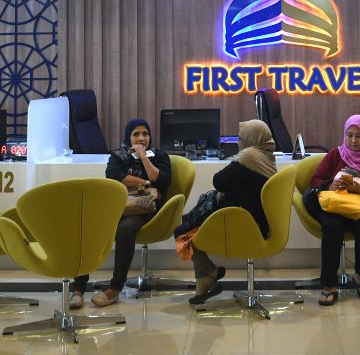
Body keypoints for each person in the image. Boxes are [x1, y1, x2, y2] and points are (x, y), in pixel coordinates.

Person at [69, 118, 171, 308]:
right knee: (89, 225)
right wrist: (146, 182)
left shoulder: (160, 156)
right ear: (128, 137)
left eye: (145, 134)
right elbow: (114, 176)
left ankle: (115, 288)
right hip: (118, 205)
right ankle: (78, 288)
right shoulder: (119, 155)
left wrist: (144, 158)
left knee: (125, 229)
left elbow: (162, 180)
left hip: (145, 208)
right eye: (136, 134)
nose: (141, 138)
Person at [177, 119, 277, 305]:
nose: (238, 142)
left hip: (244, 223)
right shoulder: (266, 156)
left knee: (184, 231)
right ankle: (204, 281)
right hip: (255, 221)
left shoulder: (249, 156)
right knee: (190, 224)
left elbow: (219, 181)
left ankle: (211, 273)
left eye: (240, 137)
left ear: (251, 139)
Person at [302, 115, 360, 306]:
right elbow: (315, 180)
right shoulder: (336, 154)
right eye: (349, 135)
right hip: (335, 207)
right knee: (332, 227)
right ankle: (329, 284)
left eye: (359, 136)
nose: (353, 140)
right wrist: (329, 184)